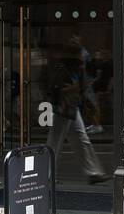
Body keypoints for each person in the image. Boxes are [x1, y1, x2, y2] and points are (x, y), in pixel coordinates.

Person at [46, 53, 108, 185]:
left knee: (81, 139)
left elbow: (81, 89)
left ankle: (93, 172)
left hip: (72, 108)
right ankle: (46, 176)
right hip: (63, 110)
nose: (82, 64)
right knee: (55, 143)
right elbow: (60, 90)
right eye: (80, 61)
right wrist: (77, 88)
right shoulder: (64, 72)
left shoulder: (77, 72)